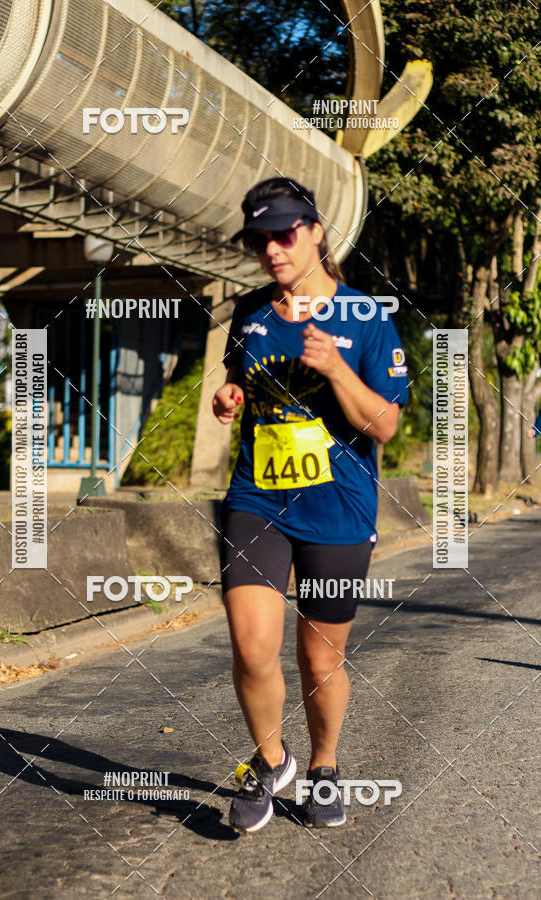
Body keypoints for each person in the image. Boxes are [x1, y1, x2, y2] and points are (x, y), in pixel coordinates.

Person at [212, 176, 409, 833]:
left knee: (320, 658)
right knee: (251, 647)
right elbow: (237, 379)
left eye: (283, 234)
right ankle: (272, 760)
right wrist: (229, 397)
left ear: (316, 233)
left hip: (338, 509)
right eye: (259, 240)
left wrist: (337, 370)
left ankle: (324, 768)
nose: (271, 249)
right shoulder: (250, 312)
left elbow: (385, 425)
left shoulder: (365, 317)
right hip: (258, 498)